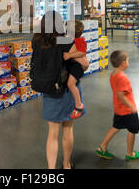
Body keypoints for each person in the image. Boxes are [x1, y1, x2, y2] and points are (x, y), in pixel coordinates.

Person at [32, 11, 89, 169]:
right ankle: (66, 164)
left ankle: (51, 170)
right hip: (66, 90)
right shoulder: (64, 40)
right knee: (68, 129)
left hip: (49, 89)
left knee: (52, 133)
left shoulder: (36, 41)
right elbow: (84, 63)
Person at [95, 50, 139, 161]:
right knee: (132, 130)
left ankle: (102, 147)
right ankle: (130, 153)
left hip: (118, 109)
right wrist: (131, 106)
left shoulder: (113, 75)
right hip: (127, 111)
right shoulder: (122, 78)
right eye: (127, 60)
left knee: (116, 127)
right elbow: (121, 96)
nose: (128, 62)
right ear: (123, 64)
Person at [63, 20, 88, 119]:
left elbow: (82, 52)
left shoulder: (79, 40)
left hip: (77, 67)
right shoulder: (70, 40)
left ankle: (79, 105)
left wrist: (70, 55)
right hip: (74, 65)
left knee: (71, 84)